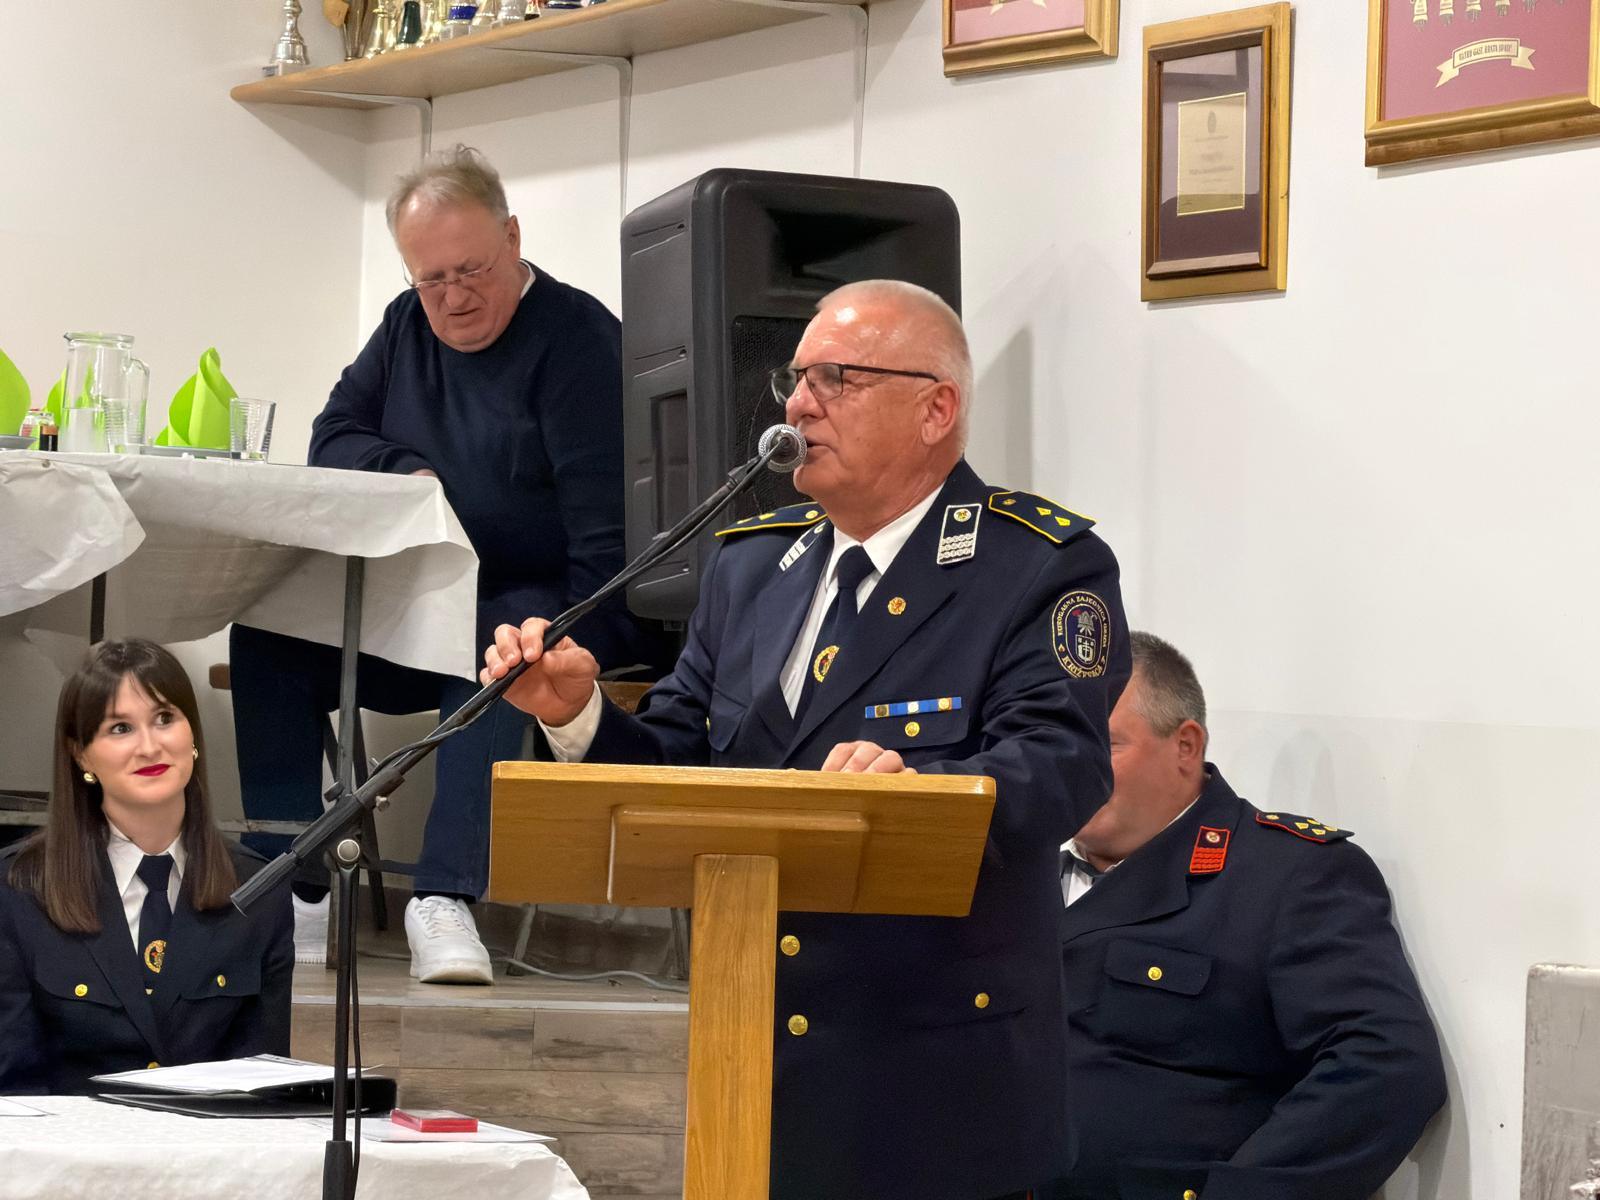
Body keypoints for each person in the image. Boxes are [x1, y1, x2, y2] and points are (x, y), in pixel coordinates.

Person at [483, 278, 1131, 1200]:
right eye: (795, 379)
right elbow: (678, 764)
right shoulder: (750, 566)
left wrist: (918, 792)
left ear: (936, 410)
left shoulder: (1036, 566)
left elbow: (1062, 766)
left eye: (838, 378)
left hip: (934, 1080)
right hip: (752, 1059)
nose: (797, 404)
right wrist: (575, 713)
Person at [228, 145, 659, 984]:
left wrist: (569, 646)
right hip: (415, 609)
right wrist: (405, 470)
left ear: (513, 238)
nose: (454, 298)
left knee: (499, 646)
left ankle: (443, 897)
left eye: (472, 271)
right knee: (268, 639)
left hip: (547, 609)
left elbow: (609, 551)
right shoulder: (404, 325)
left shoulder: (578, 342)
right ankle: (297, 882)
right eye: (431, 280)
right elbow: (333, 435)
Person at [1045, 632, 1448, 1200]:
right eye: (1056, 743)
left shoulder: (1288, 876)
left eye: (1104, 744)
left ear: (1186, 746)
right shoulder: (1015, 872)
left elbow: (1387, 1066)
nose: (1070, 768)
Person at [0, 639, 293, 1094]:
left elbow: (261, 1083)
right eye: (120, 728)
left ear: (192, 736)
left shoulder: (258, 889)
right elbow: (12, 1089)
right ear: (81, 754)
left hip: (208, 1138)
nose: (150, 746)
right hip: (66, 1136)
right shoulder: (18, 887)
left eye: (164, 719)